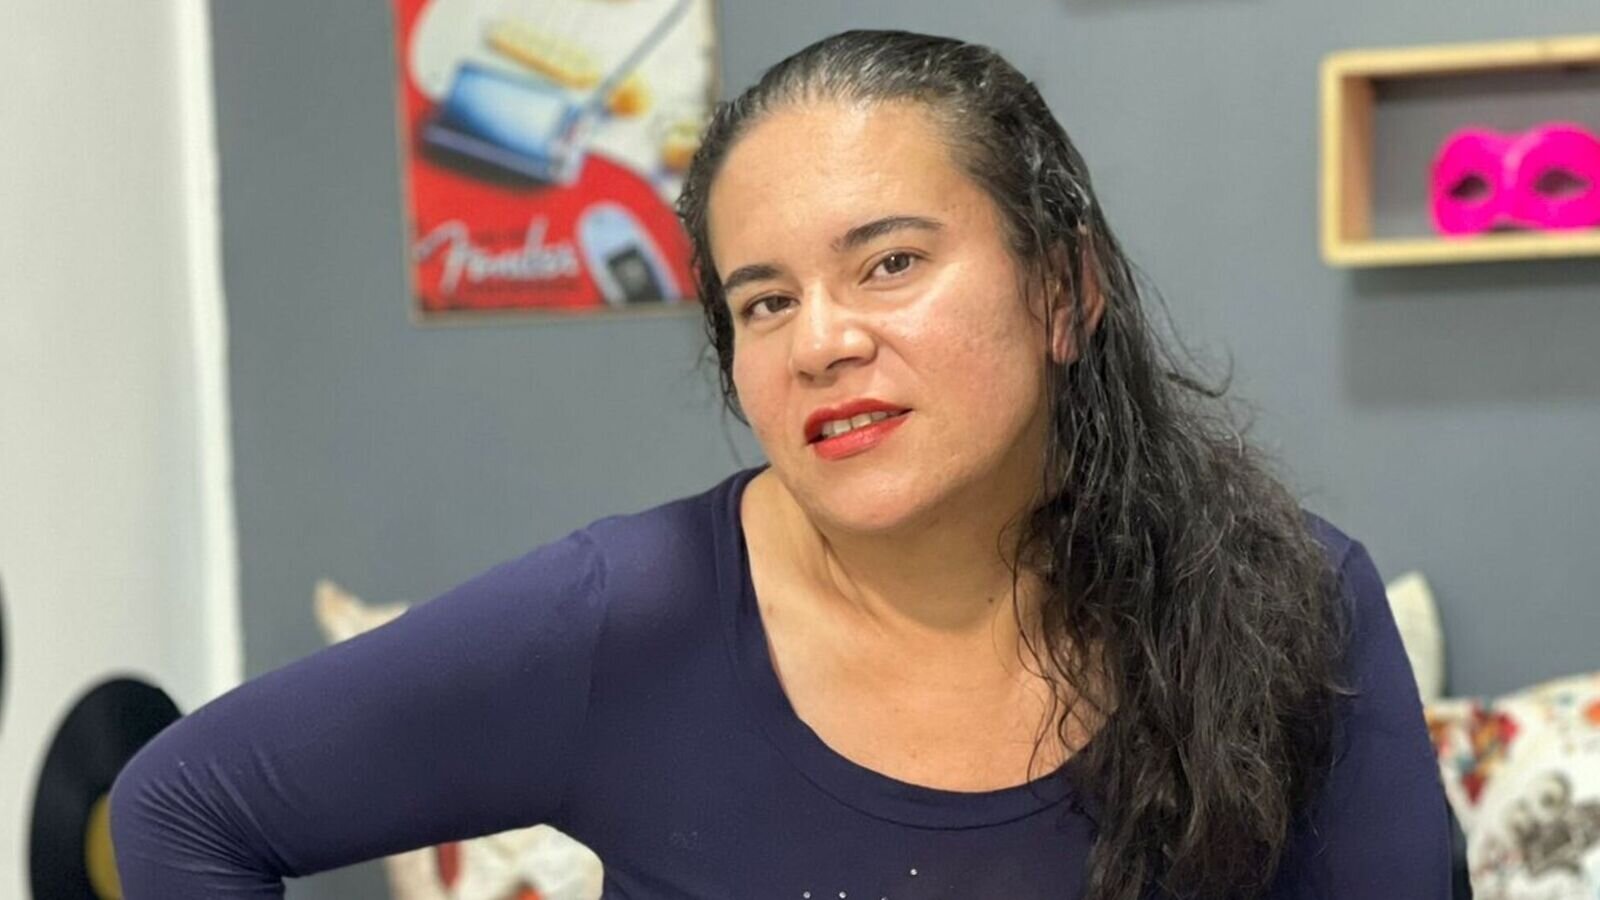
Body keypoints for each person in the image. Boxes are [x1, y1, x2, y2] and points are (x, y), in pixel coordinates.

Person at [110, 29, 1452, 900]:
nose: (822, 341)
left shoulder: (1290, 602)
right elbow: (181, 810)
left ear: (1064, 291)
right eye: (763, 301)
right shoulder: (623, 619)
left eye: (890, 262)